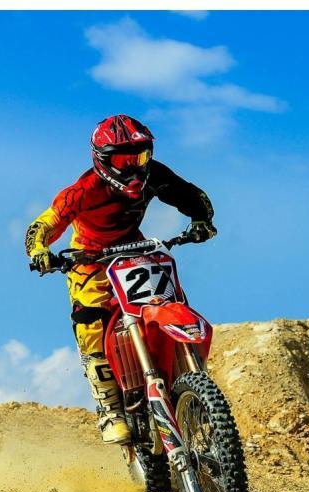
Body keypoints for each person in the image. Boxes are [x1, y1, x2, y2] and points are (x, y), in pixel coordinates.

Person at [25, 114, 217, 445]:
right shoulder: (82, 192)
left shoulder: (155, 175)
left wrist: (202, 220)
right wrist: (40, 251)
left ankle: (186, 378)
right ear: (102, 160)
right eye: (123, 159)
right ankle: (110, 408)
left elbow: (190, 195)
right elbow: (43, 225)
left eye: (140, 156)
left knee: (169, 300)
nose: (134, 167)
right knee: (90, 321)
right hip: (90, 259)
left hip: (135, 250)